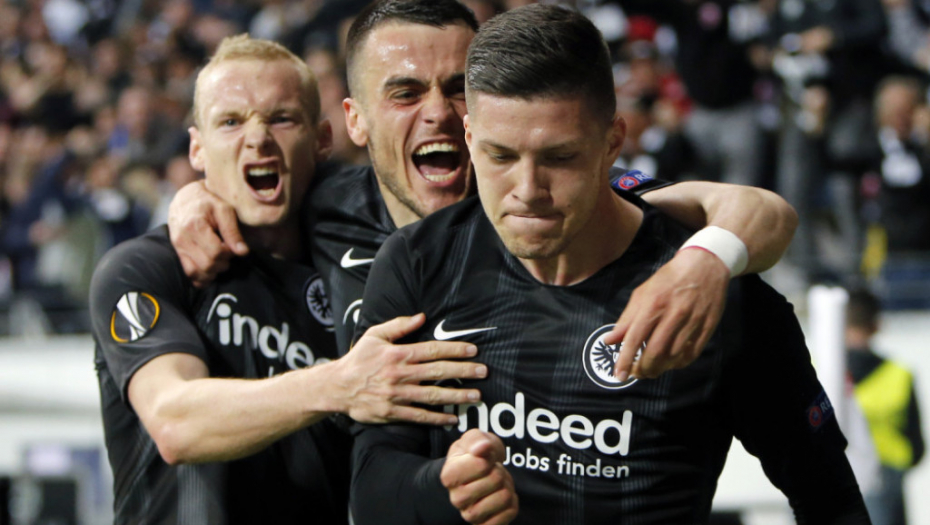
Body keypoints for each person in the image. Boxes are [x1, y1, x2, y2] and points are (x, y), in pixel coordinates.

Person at [349, 5, 870, 524]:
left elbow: (833, 502)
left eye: (559, 157)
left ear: (613, 143)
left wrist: (708, 262)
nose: (528, 191)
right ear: (469, 138)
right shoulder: (419, 262)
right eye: (500, 156)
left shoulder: (709, 297)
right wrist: (441, 488)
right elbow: (370, 487)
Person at [169, 0, 799, 382]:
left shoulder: (538, 201)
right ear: (354, 122)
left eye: (457, 88)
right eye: (405, 93)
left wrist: (705, 261)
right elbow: (249, 187)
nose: (438, 114)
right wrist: (194, 199)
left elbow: (763, 212)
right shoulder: (325, 206)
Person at [90, 35, 486, 524]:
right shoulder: (146, 267)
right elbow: (175, 421)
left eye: (281, 118)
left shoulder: (364, 255)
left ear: (322, 139)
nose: (257, 139)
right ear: (197, 148)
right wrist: (340, 383)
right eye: (230, 122)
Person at [846, 288, 924, 525]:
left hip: (835, 476)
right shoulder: (900, 375)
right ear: (877, 325)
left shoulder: (818, 373)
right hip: (888, 478)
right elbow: (917, 446)